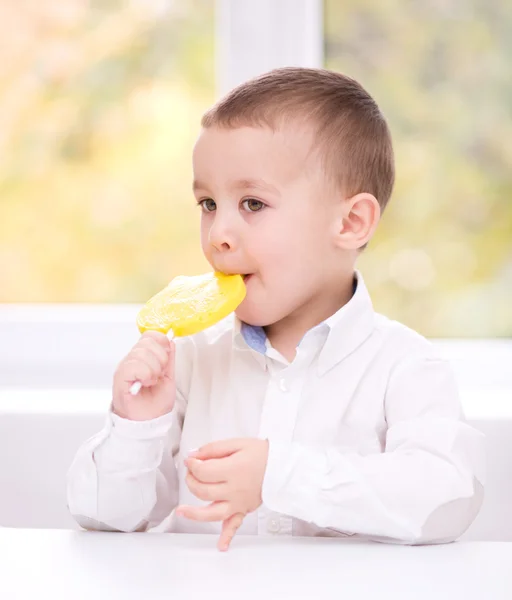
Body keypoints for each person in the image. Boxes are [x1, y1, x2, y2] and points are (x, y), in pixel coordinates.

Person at [67, 67, 484, 551]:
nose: (219, 233)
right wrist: (136, 426)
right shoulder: (191, 361)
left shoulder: (404, 367)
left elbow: (446, 497)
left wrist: (280, 476)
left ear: (350, 222)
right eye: (207, 204)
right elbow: (104, 519)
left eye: (252, 203)